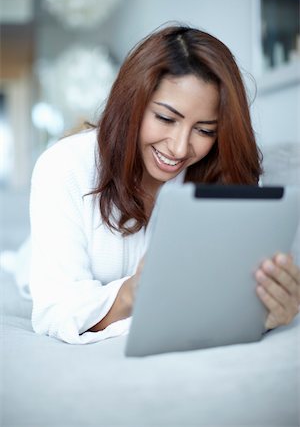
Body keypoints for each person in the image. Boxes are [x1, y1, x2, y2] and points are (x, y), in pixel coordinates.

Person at [29, 24, 300, 344]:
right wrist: (133, 294)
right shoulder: (64, 167)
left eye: (204, 130)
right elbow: (55, 309)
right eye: (166, 118)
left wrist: (268, 312)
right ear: (132, 102)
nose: (179, 148)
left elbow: (225, 300)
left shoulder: (223, 173)